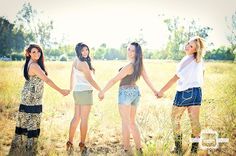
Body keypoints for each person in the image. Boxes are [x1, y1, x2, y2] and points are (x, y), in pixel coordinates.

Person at [9, 44, 70, 155]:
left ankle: (24, 145)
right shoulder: (34, 66)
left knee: (28, 119)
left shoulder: (31, 63)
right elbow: (47, 80)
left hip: (30, 95)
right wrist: (61, 90)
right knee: (31, 119)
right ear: (28, 53)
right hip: (32, 97)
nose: (37, 54)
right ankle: (29, 147)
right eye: (33, 52)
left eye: (38, 51)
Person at [98, 42, 158, 155]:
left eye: (132, 50)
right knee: (132, 122)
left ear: (137, 53)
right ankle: (139, 149)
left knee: (125, 123)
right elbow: (147, 79)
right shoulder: (139, 65)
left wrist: (102, 91)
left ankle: (127, 150)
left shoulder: (129, 66)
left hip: (125, 92)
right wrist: (155, 91)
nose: (129, 52)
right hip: (135, 92)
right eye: (129, 49)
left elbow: (113, 80)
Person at [157, 36, 206, 155]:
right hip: (197, 91)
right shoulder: (199, 60)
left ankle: (178, 148)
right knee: (195, 122)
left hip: (185, 92)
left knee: (175, 119)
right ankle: (194, 150)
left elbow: (176, 77)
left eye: (191, 46)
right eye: (188, 44)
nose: (187, 46)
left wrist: (161, 91)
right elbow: (202, 74)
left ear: (195, 49)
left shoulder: (187, 59)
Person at [66, 43, 101, 154]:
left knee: (76, 117)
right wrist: (101, 90)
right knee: (84, 119)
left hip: (77, 91)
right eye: (82, 50)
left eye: (86, 50)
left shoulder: (76, 61)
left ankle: (69, 143)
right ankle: (82, 144)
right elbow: (90, 80)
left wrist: (71, 88)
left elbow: (72, 75)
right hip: (85, 91)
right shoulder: (84, 64)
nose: (85, 52)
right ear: (78, 52)